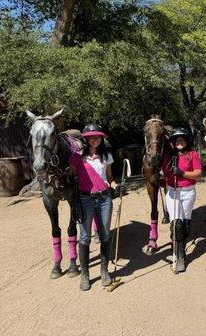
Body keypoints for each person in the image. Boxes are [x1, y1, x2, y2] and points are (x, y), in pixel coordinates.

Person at [69, 124, 118, 291]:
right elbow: (72, 178)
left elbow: (110, 177)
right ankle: (85, 275)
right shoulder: (77, 157)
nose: (95, 139)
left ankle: (104, 271)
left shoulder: (106, 156)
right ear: (86, 139)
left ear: (101, 138)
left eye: (97, 136)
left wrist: (116, 186)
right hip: (85, 199)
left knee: (105, 234)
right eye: (91, 137)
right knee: (84, 237)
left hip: (104, 198)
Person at [162, 127, 202, 273]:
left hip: (188, 192)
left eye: (182, 139)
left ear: (186, 140)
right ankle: (179, 256)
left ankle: (181, 251)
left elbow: (198, 173)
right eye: (176, 140)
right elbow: (162, 173)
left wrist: (182, 173)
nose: (179, 142)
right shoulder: (168, 155)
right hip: (173, 192)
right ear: (173, 142)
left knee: (185, 224)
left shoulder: (192, 154)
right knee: (176, 224)